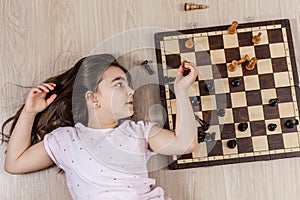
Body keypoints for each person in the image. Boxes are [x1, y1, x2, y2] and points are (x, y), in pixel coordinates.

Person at [1, 54, 198, 200]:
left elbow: (185, 144)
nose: (131, 91)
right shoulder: (66, 140)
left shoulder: (138, 131)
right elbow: (14, 163)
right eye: (119, 85)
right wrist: (29, 112)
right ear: (93, 98)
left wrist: (181, 90)